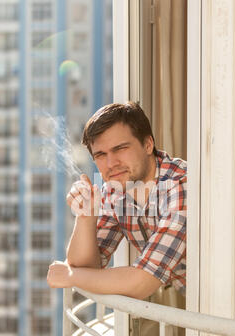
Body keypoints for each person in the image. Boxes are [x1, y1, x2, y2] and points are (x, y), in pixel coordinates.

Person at [47, 101, 187, 300]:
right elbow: (84, 267)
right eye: (101, 155)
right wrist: (86, 217)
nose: (111, 164)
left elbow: (142, 283)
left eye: (120, 148)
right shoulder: (116, 191)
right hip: (191, 295)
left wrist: (70, 276)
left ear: (148, 144)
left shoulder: (179, 185)